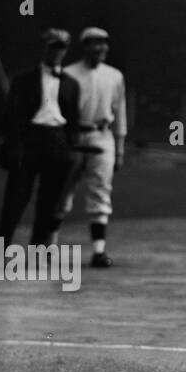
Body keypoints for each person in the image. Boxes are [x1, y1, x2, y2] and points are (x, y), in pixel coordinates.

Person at [0, 28, 81, 245]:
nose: (56, 52)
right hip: (30, 140)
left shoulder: (71, 84)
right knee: (16, 198)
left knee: (49, 201)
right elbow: (11, 116)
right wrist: (14, 145)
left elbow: (73, 119)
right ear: (45, 47)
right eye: (53, 47)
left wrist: (71, 147)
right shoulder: (24, 80)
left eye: (61, 48)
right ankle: (2, 248)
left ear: (66, 50)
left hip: (58, 141)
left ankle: (38, 250)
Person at [56, 27, 127, 267]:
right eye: (95, 43)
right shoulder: (67, 74)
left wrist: (119, 149)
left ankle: (99, 251)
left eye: (104, 43)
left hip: (101, 136)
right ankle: (49, 247)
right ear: (84, 46)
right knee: (61, 192)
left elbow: (120, 113)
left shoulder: (115, 75)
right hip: (73, 137)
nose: (101, 47)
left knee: (100, 190)